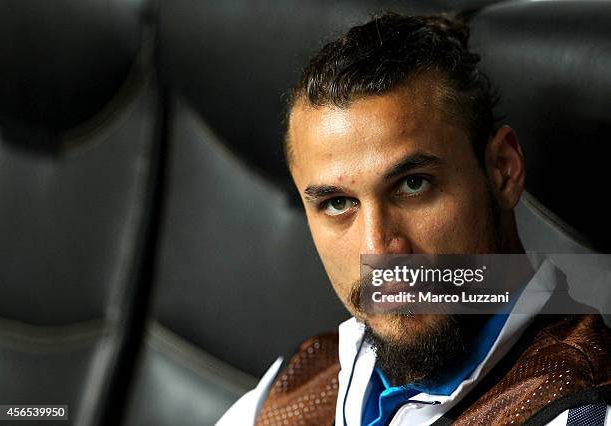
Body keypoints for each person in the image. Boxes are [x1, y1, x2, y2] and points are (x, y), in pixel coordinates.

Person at [217, 13, 611, 426]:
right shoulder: (296, 384)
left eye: (413, 185)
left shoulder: (582, 410)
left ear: (503, 170)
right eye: (337, 203)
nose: (378, 249)